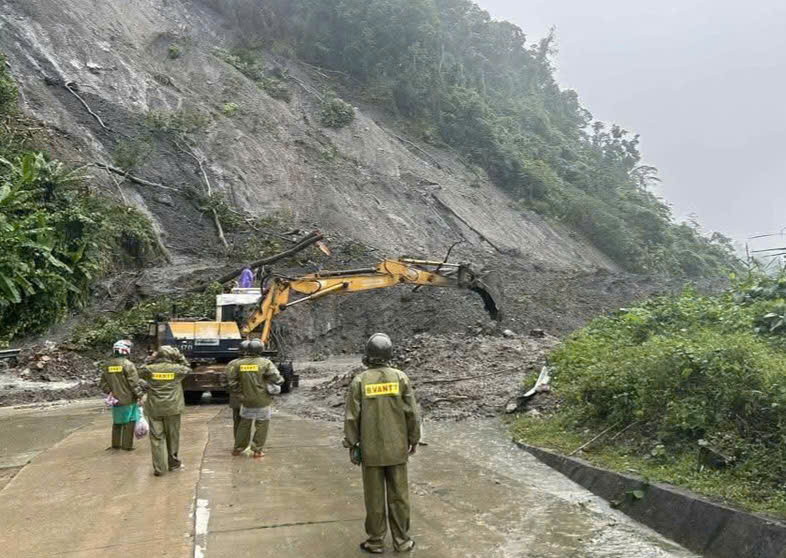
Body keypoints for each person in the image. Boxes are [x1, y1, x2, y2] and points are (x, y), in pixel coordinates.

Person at [344, 333, 421, 554]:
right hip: (397, 449)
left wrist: (352, 444)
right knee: (399, 497)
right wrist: (413, 439)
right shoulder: (400, 378)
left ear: (368, 355)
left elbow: (352, 417)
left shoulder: (360, 381)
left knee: (374, 498)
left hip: (371, 451)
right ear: (389, 354)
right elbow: (412, 414)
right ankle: (402, 541)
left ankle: (376, 541)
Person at [227, 339, 284, 458]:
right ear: (261, 350)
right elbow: (277, 379)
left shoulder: (238, 364)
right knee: (262, 424)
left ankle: (238, 449)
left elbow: (231, 382)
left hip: (245, 400)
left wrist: (240, 393)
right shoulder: (265, 363)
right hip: (262, 400)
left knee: (244, 424)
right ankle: (257, 450)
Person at [139, 345, 191, 477]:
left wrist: (150, 359)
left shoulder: (149, 369)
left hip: (154, 408)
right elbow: (188, 368)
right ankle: (173, 463)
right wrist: (179, 356)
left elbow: (139, 371)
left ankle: (159, 468)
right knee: (173, 437)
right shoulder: (177, 369)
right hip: (173, 408)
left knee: (156, 439)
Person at [99, 340, 143, 451]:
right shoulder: (128, 364)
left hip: (115, 400)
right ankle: (127, 446)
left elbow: (102, 384)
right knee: (130, 422)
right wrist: (140, 395)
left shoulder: (107, 365)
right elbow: (134, 383)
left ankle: (115, 445)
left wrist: (111, 392)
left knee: (117, 422)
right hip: (128, 399)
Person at [225, 340, 251, 440]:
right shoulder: (254, 363)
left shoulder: (232, 363)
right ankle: (245, 442)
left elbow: (224, 379)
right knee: (247, 421)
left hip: (235, 396)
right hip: (250, 396)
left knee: (237, 421)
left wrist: (230, 390)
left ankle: (238, 442)